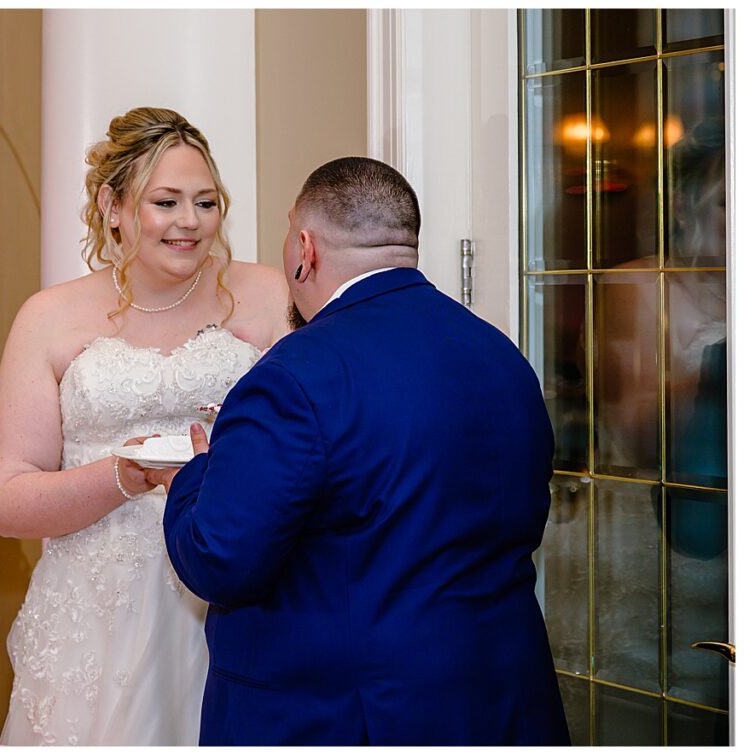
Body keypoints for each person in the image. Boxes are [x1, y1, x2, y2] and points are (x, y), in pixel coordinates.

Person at [143, 157, 571, 745]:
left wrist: (194, 475)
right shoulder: (501, 356)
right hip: (508, 705)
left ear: (304, 249)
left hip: (353, 716)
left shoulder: (293, 376)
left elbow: (220, 560)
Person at [0, 107, 288, 745]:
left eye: (206, 202)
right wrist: (121, 476)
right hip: (93, 612)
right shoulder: (50, 317)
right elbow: (7, 499)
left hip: (228, 594)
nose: (190, 222)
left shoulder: (268, 296)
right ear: (112, 206)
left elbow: (308, 443)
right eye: (166, 202)